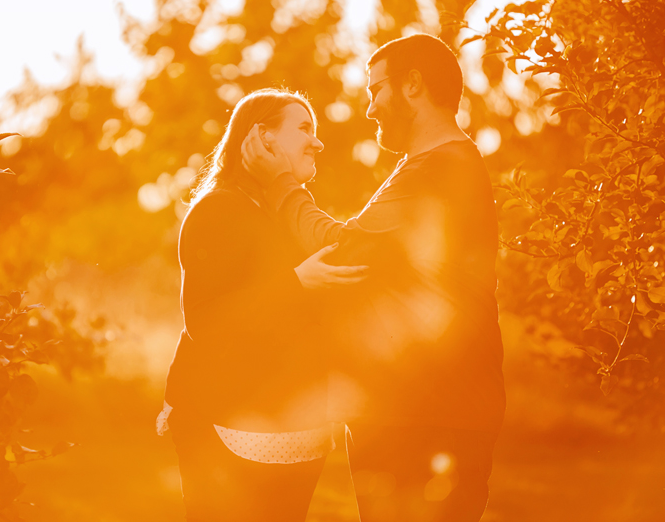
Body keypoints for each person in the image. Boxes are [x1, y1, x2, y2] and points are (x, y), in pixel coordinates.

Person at [241, 34, 506, 522]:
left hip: (429, 417)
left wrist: (281, 183)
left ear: (412, 86)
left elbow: (345, 250)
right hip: (423, 411)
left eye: (374, 90)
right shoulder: (427, 165)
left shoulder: (440, 168)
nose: (369, 108)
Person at [160, 88, 367, 521]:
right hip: (231, 427)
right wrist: (297, 283)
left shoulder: (288, 213)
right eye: (304, 128)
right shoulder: (220, 210)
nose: (318, 142)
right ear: (263, 138)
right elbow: (205, 320)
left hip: (296, 433)